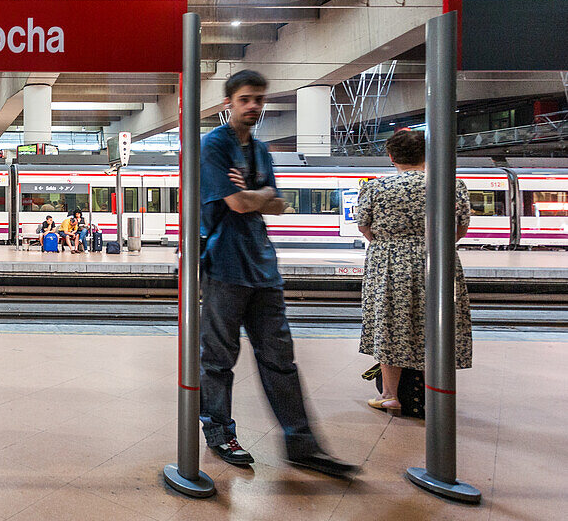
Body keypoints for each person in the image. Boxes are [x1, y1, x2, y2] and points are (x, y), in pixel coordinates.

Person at [198, 70, 358, 478]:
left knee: (280, 361)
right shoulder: (213, 146)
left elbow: (277, 204)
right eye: (246, 99)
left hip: (263, 269)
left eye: (259, 99)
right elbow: (236, 203)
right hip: (225, 265)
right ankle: (220, 434)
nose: (254, 106)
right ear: (228, 104)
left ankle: (302, 445)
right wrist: (259, 196)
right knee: (218, 360)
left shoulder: (262, 150)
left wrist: (259, 197)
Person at [358, 130, 473, 413]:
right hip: (438, 260)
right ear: (427, 154)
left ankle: (390, 395)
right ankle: (433, 396)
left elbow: (364, 227)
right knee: (435, 326)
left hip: (389, 263)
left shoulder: (375, 188)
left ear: (391, 157)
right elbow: (461, 228)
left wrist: (391, 244)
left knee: (391, 325)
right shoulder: (452, 185)